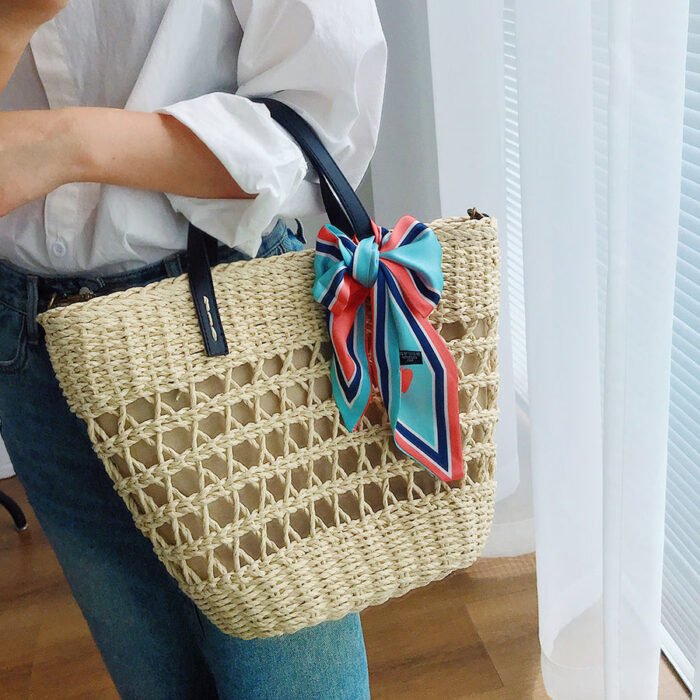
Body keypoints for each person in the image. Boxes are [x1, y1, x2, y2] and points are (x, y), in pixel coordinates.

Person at [0, 1, 387, 698]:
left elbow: (324, 120)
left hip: (220, 307)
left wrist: (68, 144)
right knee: (153, 678)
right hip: (26, 338)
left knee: (295, 682)